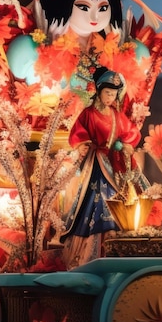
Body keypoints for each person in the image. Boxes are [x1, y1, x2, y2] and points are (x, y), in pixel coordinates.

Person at [61, 67, 144, 267]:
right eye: (107, 93)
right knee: (96, 198)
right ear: (98, 91)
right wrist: (83, 144)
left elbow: (131, 132)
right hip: (96, 162)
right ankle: (88, 253)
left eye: (114, 94)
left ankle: (114, 247)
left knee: (117, 200)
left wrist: (125, 144)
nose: (110, 98)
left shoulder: (116, 115)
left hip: (113, 163)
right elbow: (78, 133)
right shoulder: (88, 114)